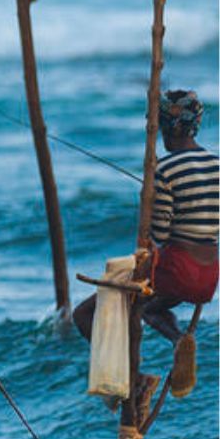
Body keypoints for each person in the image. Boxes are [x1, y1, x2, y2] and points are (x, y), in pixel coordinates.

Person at [74, 90, 217, 399]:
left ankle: (131, 382)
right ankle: (177, 341)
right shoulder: (217, 165)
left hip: (177, 270)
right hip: (208, 277)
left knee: (85, 314)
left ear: (165, 127)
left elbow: (161, 236)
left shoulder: (164, 171)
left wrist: (149, 205)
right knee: (151, 308)